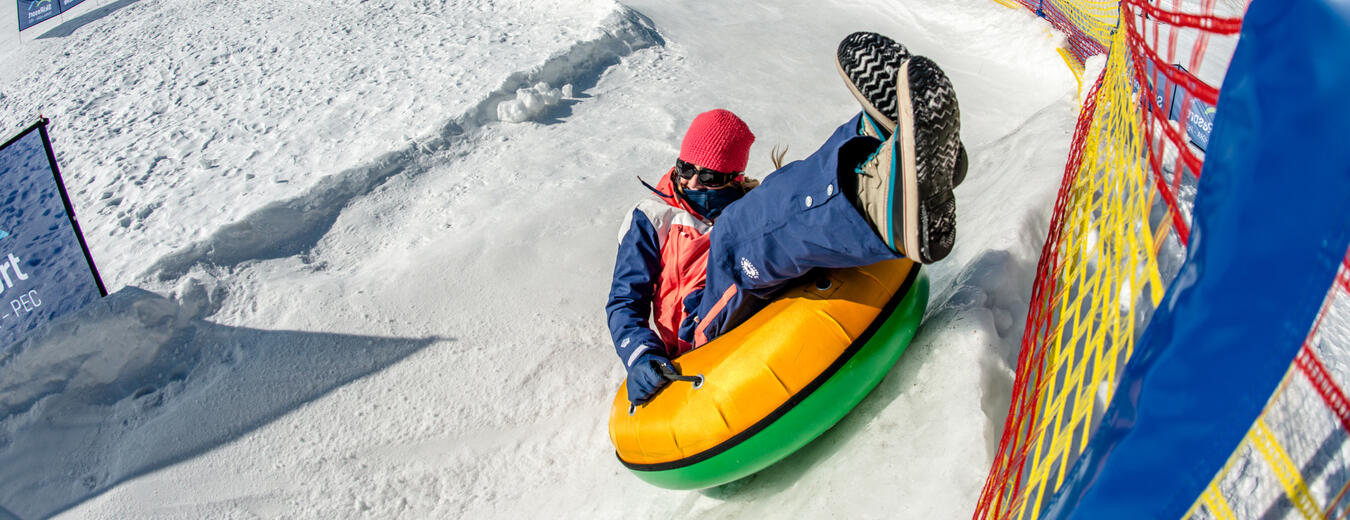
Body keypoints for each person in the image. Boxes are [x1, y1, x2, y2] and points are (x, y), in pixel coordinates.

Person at [607, 32, 968, 406]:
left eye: (710, 176)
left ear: (732, 178)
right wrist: (640, 354)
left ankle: (878, 140)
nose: (692, 181)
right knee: (734, 234)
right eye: (685, 167)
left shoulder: (748, 204)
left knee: (783, 187)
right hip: (698, 332)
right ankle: (877, 203)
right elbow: (624, 301)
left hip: (761, 303)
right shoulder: (653, 217)